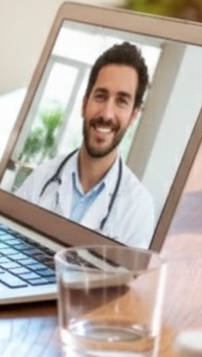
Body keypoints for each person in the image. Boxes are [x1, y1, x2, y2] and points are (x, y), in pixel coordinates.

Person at [13, 41, 158, 247]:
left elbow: (129, 279)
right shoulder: (41, 179)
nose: (107, 114)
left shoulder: (139, 207)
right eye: (100, 96)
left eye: (121, 101)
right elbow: (4, 243)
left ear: (133, 116)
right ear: (84, 104)